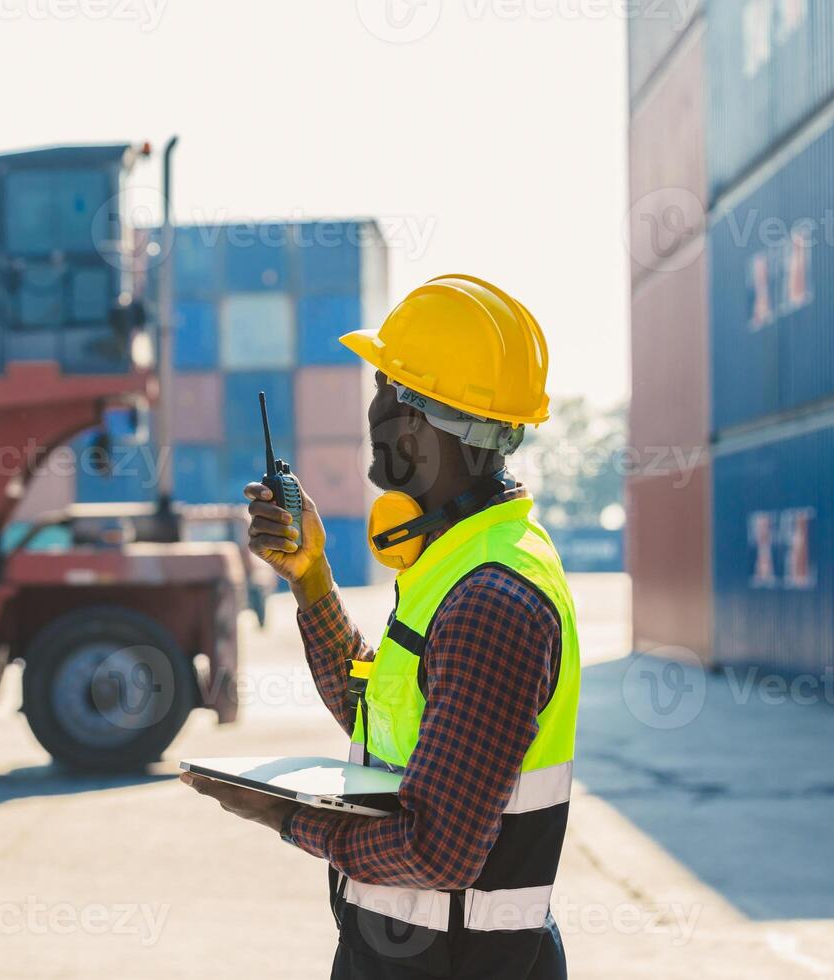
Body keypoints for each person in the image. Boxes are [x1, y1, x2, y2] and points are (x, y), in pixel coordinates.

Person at [182, 275, 579, 980]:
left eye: (383, 387)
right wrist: (311, 579)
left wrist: (277, 814)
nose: (370, 408)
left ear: (417, 421)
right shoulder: (463, 563)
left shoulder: (490, 599)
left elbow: (438, 853)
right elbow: (379, 715)